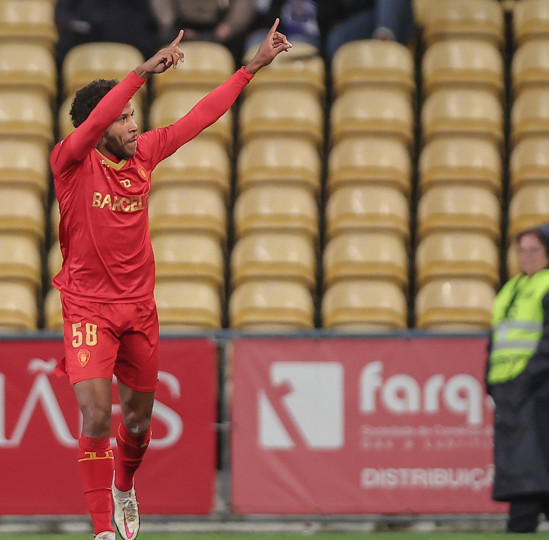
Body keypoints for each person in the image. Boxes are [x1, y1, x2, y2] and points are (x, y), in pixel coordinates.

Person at [50, 21, 290, 540]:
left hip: (139, 309)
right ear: (99, 124)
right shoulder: (70, 163)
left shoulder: (145, 155)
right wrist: (140, 73)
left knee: (136, 425)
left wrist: (250, 68)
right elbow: (90, 131)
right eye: (124, 118)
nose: (134, 126)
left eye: (134, 116)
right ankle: (101, 532)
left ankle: (125, 486)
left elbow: (199, 117)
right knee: (95, 415)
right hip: (87, 308)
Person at [485, 223, 549, 533]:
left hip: (548, 385)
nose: (526, 257)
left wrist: (527, 377)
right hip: (515, 387)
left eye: (534, 250)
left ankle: (527, 518)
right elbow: (497, 340)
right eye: (522, 250)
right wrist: (492, 382)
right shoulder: (510, 288)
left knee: (533, 457)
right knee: (527, 458)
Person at [150, 0, 256, 58]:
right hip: (180, 26)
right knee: (162, 38)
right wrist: (176, 26)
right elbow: (162, 6)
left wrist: (231, 26)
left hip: (221, 26)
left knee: (240, 45)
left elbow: (243, 5)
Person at [319, 0, 414, 58]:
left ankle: (384, 46)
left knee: (386, 20)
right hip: (364, 19)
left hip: (394, 14)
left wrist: (384, 28)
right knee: (336, 39)